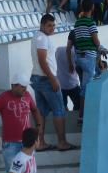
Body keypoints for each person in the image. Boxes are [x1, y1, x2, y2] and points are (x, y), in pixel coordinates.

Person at [30, 14, 77, 151]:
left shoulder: (38, 36)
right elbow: (42, 61)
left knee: (41, 112)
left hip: (37, 77)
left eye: (53, 25)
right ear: (42, 25)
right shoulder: (42, 39)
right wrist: (53, 78)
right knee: (59, 110)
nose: (52, 28)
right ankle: (62, 142)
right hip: (46, 79)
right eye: (49, 25)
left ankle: (41, 142)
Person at [0, 75, 44, 171]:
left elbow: (35, 110)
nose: (25, 88)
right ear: (13, 86)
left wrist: (39, 126)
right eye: (22, 86)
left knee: (28, 172)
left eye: (26, 86)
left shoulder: (27, 95)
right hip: (10, 143)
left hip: (27, 141)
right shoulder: (2, 97)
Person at [67, 0, 100, 123]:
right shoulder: (91, 23)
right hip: (88, 58)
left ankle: (84, 112)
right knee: (86, 88)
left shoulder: (78, 23)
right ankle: (82, 116)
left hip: (78, 58)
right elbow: (96, 41)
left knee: (84, 85)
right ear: (92, 8)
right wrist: (101, 48)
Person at [55, 42, 80, 111]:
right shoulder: (77, 54)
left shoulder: (58, 50)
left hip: (60, 85)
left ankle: (66, 118)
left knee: (62, 107)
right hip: (73, 85)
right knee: (79, 106)